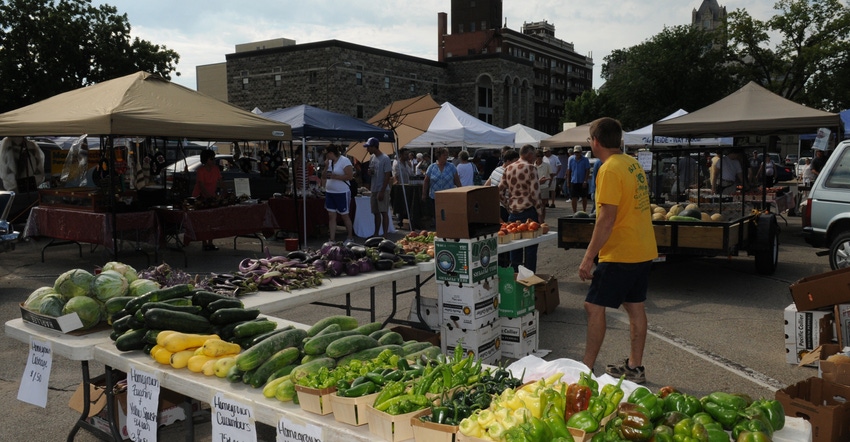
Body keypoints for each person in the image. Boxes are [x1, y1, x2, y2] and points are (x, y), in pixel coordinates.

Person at [578, 117, 656, 383]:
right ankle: (635, 367)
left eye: (590, 139)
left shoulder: (609, 169)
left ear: (596, 142)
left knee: (593, 306)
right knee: (635, 308)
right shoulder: (631, 163)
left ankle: (585, 368)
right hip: (642, 247)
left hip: (621, 251)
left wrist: (589, 257)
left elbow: (606, 218)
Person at [498, 144, 543, 271]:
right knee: (530, 249)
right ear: (529, 154)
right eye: (535, 155)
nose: (535, 158)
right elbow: (535, 194)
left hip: (513, 212)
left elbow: (499, 191)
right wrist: (540, 213)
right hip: (529, 211)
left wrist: (508, 205)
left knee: (515, 248)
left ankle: (515, 277)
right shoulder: (531, 168)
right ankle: (529, 278)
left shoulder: (508, 168)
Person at [322, 144, 354, 243]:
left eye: (327, 154)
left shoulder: (344, 161)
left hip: (342, 192)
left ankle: (350, 237)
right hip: (330, 192)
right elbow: (323, 176)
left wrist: (335, 177)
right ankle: (332, 239)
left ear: (331, 153)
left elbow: (350, 176)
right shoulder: (329, 162)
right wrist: (326, 166)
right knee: (331, 215)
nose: (326, 156)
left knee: (344, 215)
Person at [422, 147, 461, 226]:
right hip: (435, 196)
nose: (446, 157)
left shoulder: (451, 166)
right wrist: (424, 194)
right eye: (444, 155)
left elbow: (457, 180)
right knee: (437, 216)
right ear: (438, 156)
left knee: (448, 215)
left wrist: (461, 191)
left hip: (448, 196)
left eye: (447, 155)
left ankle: (448, 228)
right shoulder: (432, 167)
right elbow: (426, 181)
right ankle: (439, 230)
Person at [192, 149, 222, 251]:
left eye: (214, 158)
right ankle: (204, 243)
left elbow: (220, 181)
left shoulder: (216, 169)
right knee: (203, 222)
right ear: (205, 160)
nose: (213, 160)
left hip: (211, 197)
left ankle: (210, 242)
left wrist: (225, 192)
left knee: (212, 221)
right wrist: (208, 196)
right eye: (211, 159)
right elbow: (201, 185)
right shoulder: (201, 170)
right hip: (201, 198)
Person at [365, 137, 392, 238]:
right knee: (376, 212)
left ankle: (385, 234)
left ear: (374, 147)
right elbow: (372, 171)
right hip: (374, 188)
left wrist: (382, 191)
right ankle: (376, 233)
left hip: (382, 189)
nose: (367, 149)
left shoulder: (385, 158)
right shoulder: (372, 157)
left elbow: (387, 175)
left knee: (383, 212)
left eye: (368, 147)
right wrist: (369, 172)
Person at [486, 149, 520, 222]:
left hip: (495, 205)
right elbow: (500, 193)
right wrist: (508, 208)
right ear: (508, 161)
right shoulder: (508, 173)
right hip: (504, 207)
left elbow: (486, 185)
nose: (517, 163)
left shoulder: (496, 170)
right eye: (516, 161)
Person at [567, 145, 591, 213]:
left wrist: (585, 181)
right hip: (574, 180)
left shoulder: (585, 159)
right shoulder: (571, 159)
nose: (577, 154)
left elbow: (587, 170)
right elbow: (569, 170)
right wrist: (568, 182)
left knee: (584, 197)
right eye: (575, 152)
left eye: (578, 152)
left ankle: (584, 211)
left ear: (581, 152)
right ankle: (574, 211)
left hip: (582, 180)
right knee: (573, 197)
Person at [534, 149, 552, 222]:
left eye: (541, 156)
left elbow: (551, 175)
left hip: (544, 187)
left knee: (543, 206)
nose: (539, 158)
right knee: (536, 205)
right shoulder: (532, 165)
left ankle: (542, 220)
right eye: (538, 156)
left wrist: (549, 184)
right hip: (535, 187)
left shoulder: (547, 165)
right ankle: (537, 219)